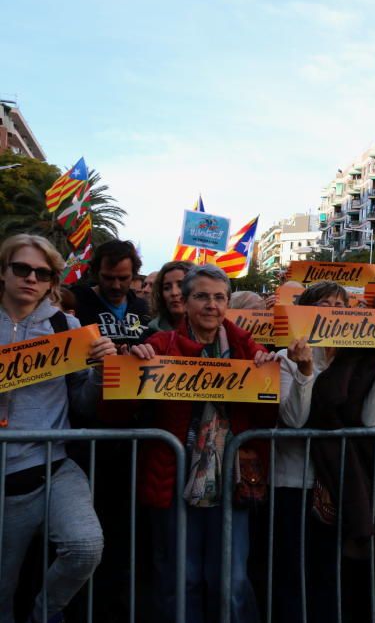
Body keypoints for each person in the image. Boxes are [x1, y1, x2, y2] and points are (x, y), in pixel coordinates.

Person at [107, 264, 278, 623]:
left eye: (219, 297)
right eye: (201, 296)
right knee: (182, 578)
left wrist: (274, 371)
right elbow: (118, 414)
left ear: (228, 303)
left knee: (231, 579)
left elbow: (267, 418)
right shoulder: (159, 345)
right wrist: (131, 364)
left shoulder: (250, 350)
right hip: (174, 476)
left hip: (232, 478)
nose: (211, 305)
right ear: (184, 302)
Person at [0, 234, 116, 623]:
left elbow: (83, 402)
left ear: (52, 281)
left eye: (42, 272)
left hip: (53, 467)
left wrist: (101, 372)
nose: (31, 278)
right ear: (4, 272)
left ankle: (44, 615)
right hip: (6, 480)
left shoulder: (65, 325)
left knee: (85, 547)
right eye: (22, 268)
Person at [305, 285, 375, 621]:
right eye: (324, 305)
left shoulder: (360, 357)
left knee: (362, 561)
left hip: (359, 471)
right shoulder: (293, 355)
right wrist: (301, 371)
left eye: (340, 306)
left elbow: (369, 419)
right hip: (309, 472)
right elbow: (299, 416)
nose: (333, 311)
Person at [70, 239, 150, 348]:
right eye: (108, 278)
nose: (116, 286)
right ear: (96, 273)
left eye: (123, 278)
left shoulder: (143, 308)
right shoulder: (75, 301)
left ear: (133, 275)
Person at [142, 260, 193, 338]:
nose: (174, 293)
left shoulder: (213, 333)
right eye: (167, 288)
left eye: (181, 285)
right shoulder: (150, 335)